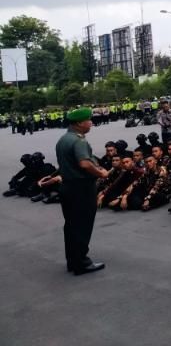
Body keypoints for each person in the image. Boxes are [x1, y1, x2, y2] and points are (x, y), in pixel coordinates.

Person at [55, 107, 109, 275]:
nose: (91, 123)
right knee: (82, 225)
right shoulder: (79, 141)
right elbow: (84, 164)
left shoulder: (63, 139)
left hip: (67, 187)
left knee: (71, 225)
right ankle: (82, 263)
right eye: (88, 120)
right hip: (81, 188)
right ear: (79, 123)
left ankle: (72, 260)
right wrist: (101, 173)